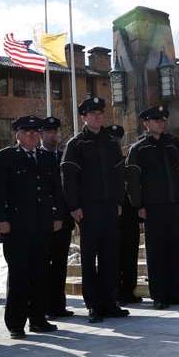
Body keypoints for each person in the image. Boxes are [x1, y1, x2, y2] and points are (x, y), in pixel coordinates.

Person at [0, 115, 64, 338]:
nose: (32, 136)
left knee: (40, 274)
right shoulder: (6, 156)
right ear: (18, 135)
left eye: (35, 133)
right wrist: (0, 219)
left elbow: (56, 190)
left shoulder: (46, 157)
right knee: (20, 275)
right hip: (17, 227)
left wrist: (58, 215)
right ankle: (16, 323)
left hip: (42, 225)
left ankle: (38, 319)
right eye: (27, 132)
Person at [61, 97, 130, 323]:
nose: (97, 116)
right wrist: (74, 206)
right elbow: (69, 178)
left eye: (100, 113)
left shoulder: (111, 142)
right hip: (88, 209)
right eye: (92, 113)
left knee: (110, 256)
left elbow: (120, 174)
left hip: (110, 206)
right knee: (90, 258)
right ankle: (93, 305)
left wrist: (119, 201)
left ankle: (110, 302)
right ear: (84, 117)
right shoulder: (76, 144)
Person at [125, 106, 179, 309]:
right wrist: (138, 205)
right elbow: (133, 181)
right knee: (156, 251)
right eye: (156, 120)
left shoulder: (172, 143)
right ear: (146, 123)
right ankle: (159, 295)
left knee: (174, 248)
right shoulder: (139, 148)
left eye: (163, 120)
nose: (161, 123)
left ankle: (173, 292)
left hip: (172, 203)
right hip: (152, 207)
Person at [40, 116, 75, 318]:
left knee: (60, 264)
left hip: (64, 221)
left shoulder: (64, 156)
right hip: (45, 222)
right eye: (48, 132)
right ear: (42, 134)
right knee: (44, 264)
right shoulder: (37, 157)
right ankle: (44, 306)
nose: (53, 136)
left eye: (55, 132)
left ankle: (58, 305)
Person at [108, 123, 142, 306]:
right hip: (111, 213)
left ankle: (129, 290)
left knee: (130, 252)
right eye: (112, 140)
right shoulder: (103, 162)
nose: (115, 143)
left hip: (128, 213)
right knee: (114, 255)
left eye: (117, 140)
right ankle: (115, 291)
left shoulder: (126, 160)